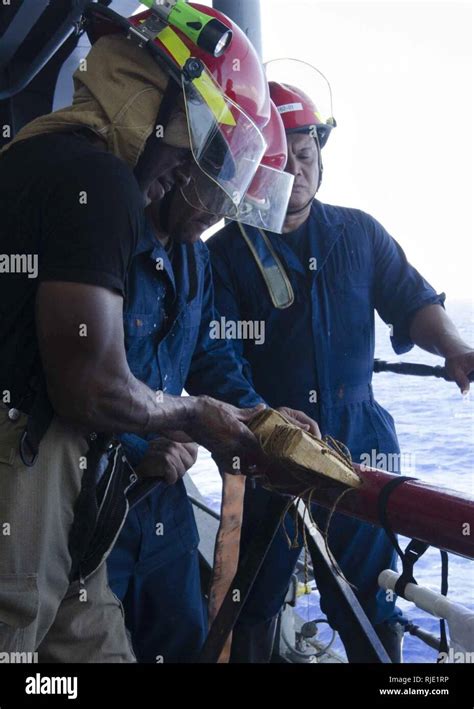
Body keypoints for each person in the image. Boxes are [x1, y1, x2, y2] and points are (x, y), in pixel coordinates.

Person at [0, 3, 277, 662]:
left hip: (76, 483)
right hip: (30, 463)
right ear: (146, 98)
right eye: (189, 143)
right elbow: (90, 386)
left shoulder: (30, 156)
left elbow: (204, 361)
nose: (189, 174)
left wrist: (258, 420)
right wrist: (194, 414)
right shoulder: (97, 179)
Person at [205, 72, 474, 663]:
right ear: (254, 166)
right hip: (269, 446)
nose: (296, 172)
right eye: (282, 161)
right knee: (253, 601)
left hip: (359, 445)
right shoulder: (223, 253)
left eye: (306, 156)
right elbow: (215, 357)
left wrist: (454, 348)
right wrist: (263, 422)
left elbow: (411, 300)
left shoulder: (359, 232)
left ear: (320, 155)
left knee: (370, 601)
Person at [107, 101, 317, 664]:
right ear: (182, 167)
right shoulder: (110, 241)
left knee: (183, 641)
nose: (218, 214)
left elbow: (212, 359)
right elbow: (79, 379)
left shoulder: (195, 261)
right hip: (96, 508)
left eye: (233, 201)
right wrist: (140, 448)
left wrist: (261, 419)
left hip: (164, 505)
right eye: (213, 193)